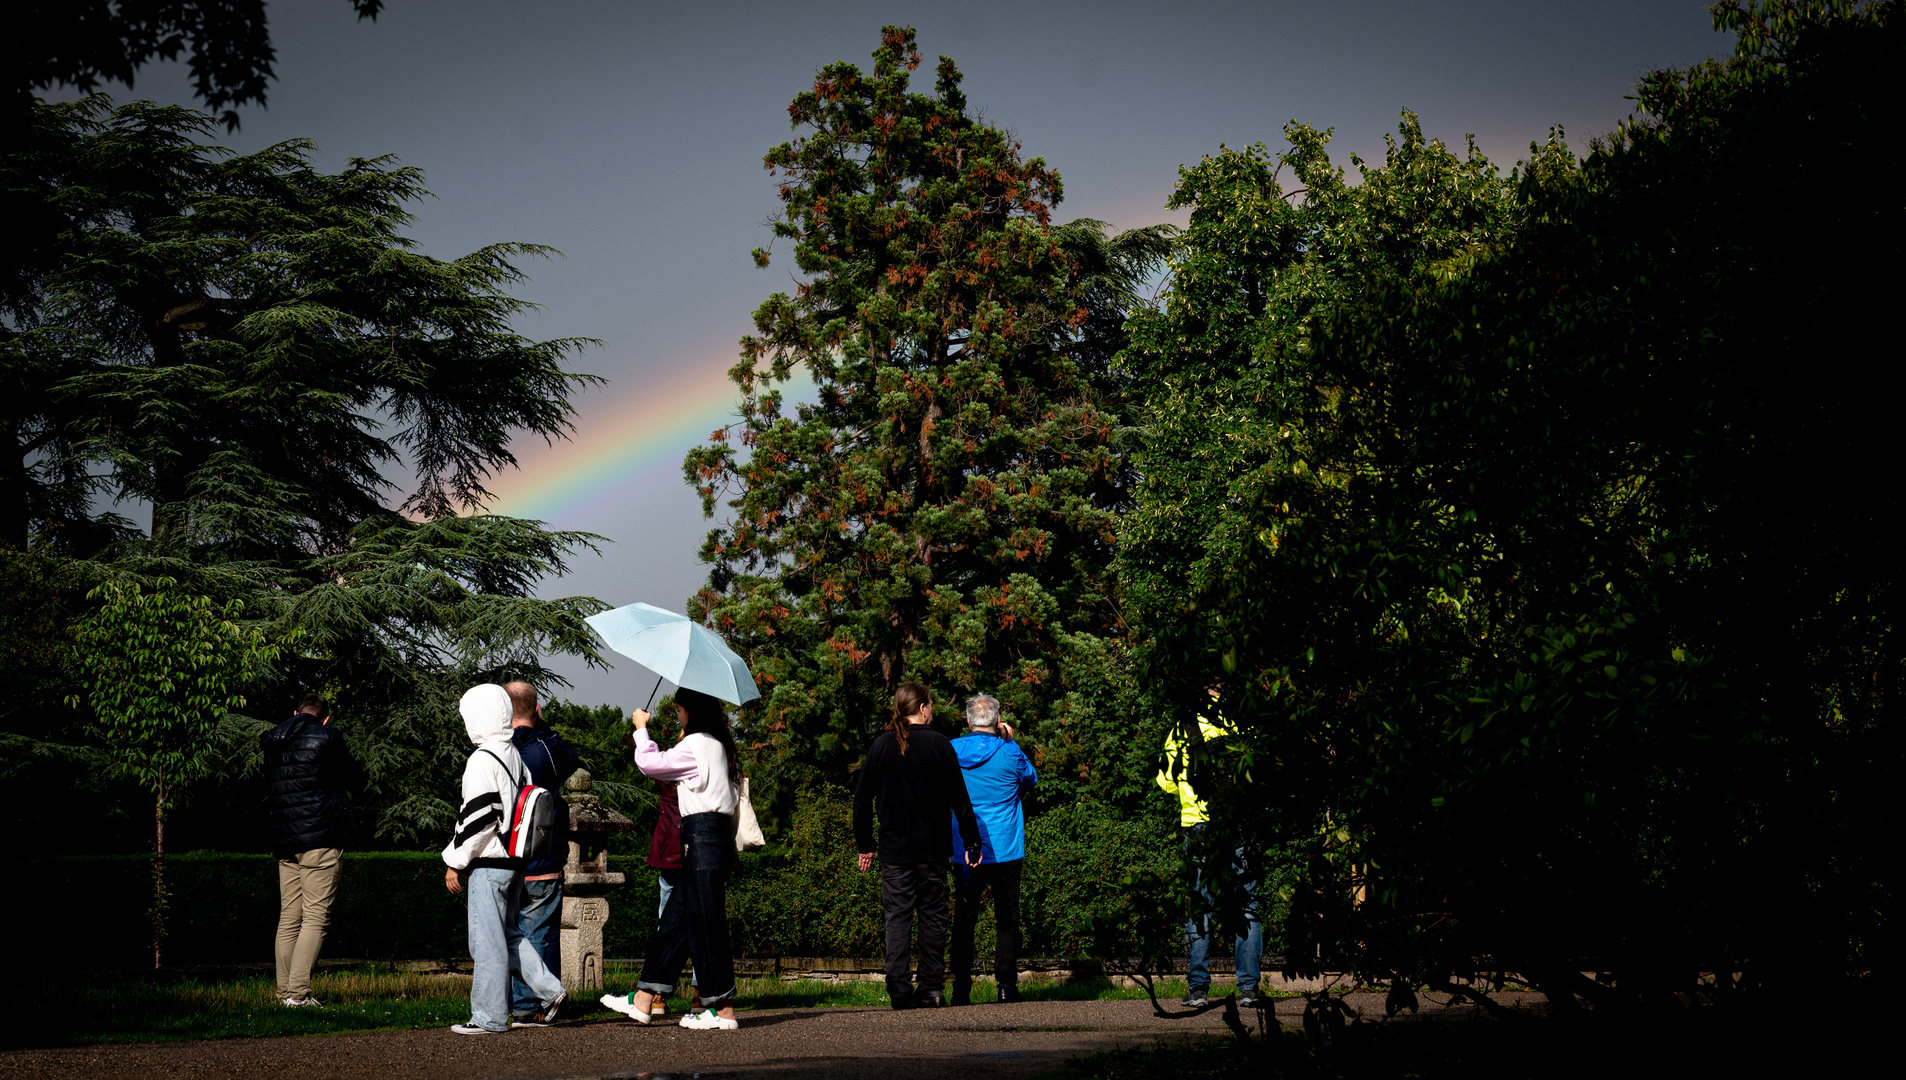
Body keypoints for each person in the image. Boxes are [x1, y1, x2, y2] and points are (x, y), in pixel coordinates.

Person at [608, 688, 742, 1031]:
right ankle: (643, 997)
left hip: (700, 835)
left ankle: (721, 1009)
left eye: (680, 710)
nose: (679, 717)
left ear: (691, 712)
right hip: (711, 837)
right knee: (678, 919)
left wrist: (641, 728)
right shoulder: (719, 745)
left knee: (705, 924)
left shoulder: (696, 744)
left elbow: (651, 765)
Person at [442, 683, 567, 1034]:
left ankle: (489, 1017)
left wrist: (456, 859)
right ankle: (550, 991)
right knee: (509, 935)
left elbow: (479, 819)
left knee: (486, 940)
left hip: (491, 863)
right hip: (516, 863)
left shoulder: (482, 759)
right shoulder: (512, 753)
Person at [854, 683, 981, 1010]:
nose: (933, 709)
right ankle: (931, 988)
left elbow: (861, 798)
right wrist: (972, 841)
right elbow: (959, 799)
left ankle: (898, 987)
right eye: (931, 704)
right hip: (932, 850)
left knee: (897, 918)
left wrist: (865, 844)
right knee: (933, 918)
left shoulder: (881, 746)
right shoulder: (940, 744)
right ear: (923, 707)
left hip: (895, 851)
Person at [1156, 689, 1264, 1008]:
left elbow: (1165, 780)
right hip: (1239, 823)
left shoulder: (1183, 728)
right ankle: (1248, 988)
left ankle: (1199, 989)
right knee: (1247, 903)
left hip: (1197, 824)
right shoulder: (1244, 725)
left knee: (1200, 904)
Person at [261, 693, 359, 1008]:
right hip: (320, 835)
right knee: (315, 917)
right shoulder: (328, 736)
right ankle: (298, 995)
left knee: (289, 915)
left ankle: (283, 996)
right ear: (325, 719)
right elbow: (352, 777)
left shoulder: (274, 740)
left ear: (295, 713)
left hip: (284, 836)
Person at [947, 693, 1037, 1005]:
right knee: (1007, 918)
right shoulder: (1009, 752)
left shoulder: (951, 751)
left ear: (968, 720)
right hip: (1005, 848)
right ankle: (1006, 987)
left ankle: (960, 988)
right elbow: (1030, 779)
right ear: (998, 722)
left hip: (964, 850)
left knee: (964, 918)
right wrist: (1011, 742)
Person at [504, 681, 579, 1024]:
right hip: (541, 856)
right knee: (534, 931)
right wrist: (542, 724)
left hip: (503, 856)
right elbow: (569, 761)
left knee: (513, 930)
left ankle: (530, 1001)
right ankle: (526, 1005)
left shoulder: (493, 749)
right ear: (536, 709)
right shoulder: (544, 748)